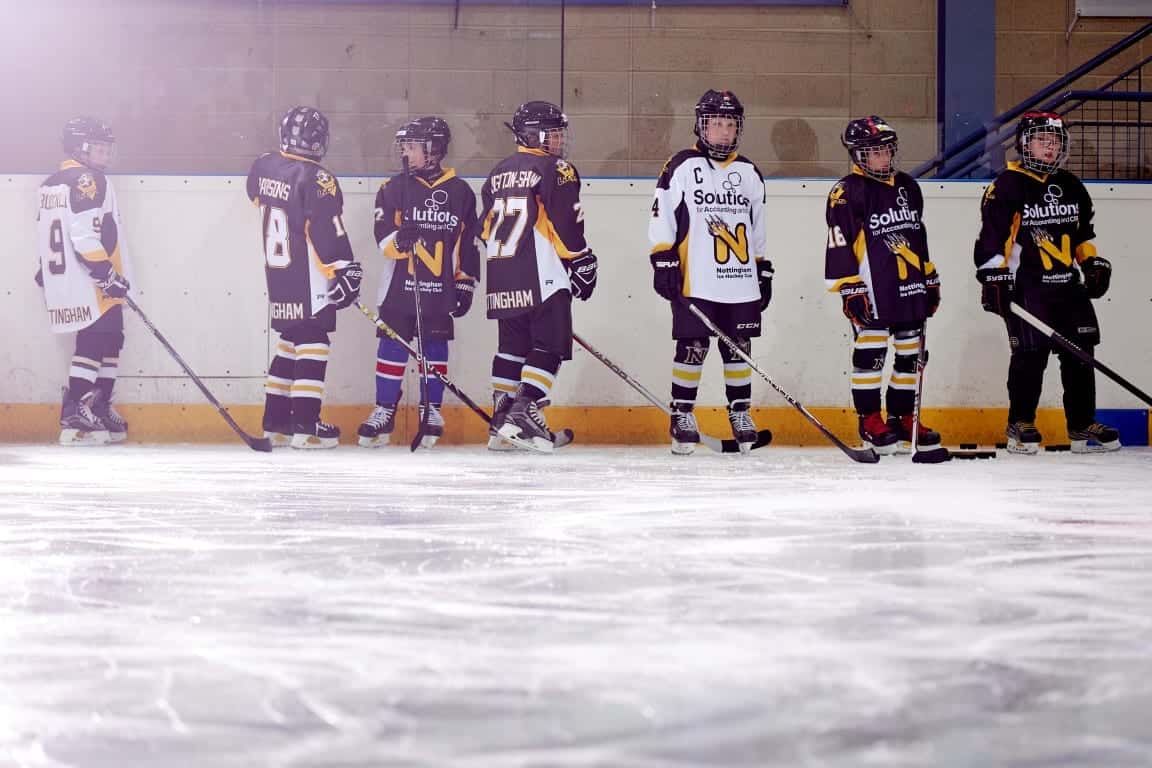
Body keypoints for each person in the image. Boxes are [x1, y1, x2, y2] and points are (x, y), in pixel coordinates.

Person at [974, 111, 1118, 454]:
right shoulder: (1006, 186)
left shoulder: (1070, 184)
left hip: (1067, 287)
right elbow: (992, 240)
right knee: (1030, 355)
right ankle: (1020, 422)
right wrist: (993, 276)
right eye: (1042, 141)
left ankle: (1082, 424)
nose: (1049, 148)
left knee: (1081, 355)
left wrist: (1091, 261)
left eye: (1054, 142)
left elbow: (1082, 234)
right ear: (1025, 143)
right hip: (1027, 287)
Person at [647, 89, 772, 455]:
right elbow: (661, 214)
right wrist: (663, 258)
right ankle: (681, 414)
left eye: (730, 124)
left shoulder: (749, 172)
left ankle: (740, 413)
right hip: (696, 277)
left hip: (740, 279)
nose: (723, 132)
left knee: (739, 348)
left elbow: (757, 227)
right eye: (716, 124)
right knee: (693, 346)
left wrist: (763, 269)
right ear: (701, 125)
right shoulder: (682, 165)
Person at [479, 100, 597, 453]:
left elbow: (484, 228)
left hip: (502, 275)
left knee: (512, 349)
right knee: (549, 346)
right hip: (542, 273)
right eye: (554, 134)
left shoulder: (497, 172)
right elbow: (565, 222)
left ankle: (501, 423)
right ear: (534, 134)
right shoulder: (556, 169)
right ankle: (524, 410)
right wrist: (580, 260)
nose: (560, 142)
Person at [357, 117, 479, 449]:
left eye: (412, 147)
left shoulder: (461, 193)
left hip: (439, 288)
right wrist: (400, 241)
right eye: (405, 147)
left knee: (435, 348)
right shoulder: (393, 188)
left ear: (434, 149)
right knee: (392, 346)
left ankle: (432, 409)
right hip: (399, 288)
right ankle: (384, 408)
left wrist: (465, 282)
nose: (406, 153)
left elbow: (467, 245)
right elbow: (382, 239)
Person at [824, 115, 942, 454]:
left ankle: (903, 418)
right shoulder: (847, 191)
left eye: (886, 151)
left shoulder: (908, 185)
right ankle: (870, 419)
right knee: (870, 355)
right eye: (873, 152)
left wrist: (929, 276)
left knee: (911, 354)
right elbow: (839, 242)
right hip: (871, 290)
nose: (881, 158)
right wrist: (849, 287)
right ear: (858, 155)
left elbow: (917, 236)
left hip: (909, 285)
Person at [246, 106, 362, 449]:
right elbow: (325, 231)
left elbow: (254, 195)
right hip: (310, 276)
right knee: (314, 341)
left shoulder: (264, 164)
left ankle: (276, 423)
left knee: (289, 342)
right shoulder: (318, 178)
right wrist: (344, 269)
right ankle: (306, 426)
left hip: (279, 275)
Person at [36, 116, 132, 446]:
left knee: (111, 339)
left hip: (65, 278)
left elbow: (54, 230)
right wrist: (107, 276)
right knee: (94, 342)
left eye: (108, 148)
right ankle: (77, 413)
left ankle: (99, 406)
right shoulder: (89, 180)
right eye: (99, 148)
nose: (106, 155)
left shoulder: (51, 182)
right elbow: (82, 235)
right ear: (80, 148)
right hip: (91, 279)